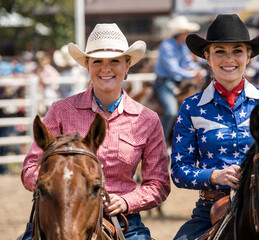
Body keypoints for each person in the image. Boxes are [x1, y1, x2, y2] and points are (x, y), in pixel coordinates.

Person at [21, 23, 171, 240]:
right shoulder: (61, 111)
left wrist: (127, 201)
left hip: (123, 220)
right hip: (59, 216)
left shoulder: (147, 120)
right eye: (97, 61)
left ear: (127, 66)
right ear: (87, 66)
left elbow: (158, 183)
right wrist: (58, 188)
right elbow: (30, 168)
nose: (105, 68)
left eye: (114, 61)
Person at [170, 14, 259, 240]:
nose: (229, 59)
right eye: (219, 51)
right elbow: (179, 171)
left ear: (249, 56)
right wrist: (215, 176)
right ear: (207, 56)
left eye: (237, 51)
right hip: (210, 208)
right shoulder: (191, 108)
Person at [153, 15, 205, 144]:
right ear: (179, 33)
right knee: (171, 111)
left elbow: (188, 62)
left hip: (178, 83)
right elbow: (173, 69)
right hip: (164, 83)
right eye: (186, 32)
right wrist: (192, 74)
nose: (188, 35)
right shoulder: (166, 46)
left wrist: (197, 70)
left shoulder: (182, 46)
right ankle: (161, 142)